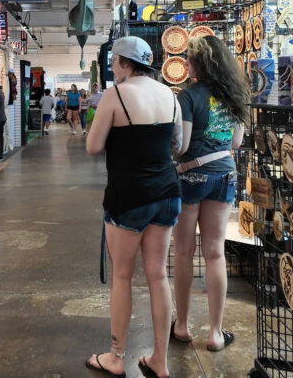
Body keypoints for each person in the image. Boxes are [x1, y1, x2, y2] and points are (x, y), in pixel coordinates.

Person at [85, 36, 182, 378]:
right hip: (167, 192)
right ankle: (160, 360)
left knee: (122, 276)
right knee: (158, 275)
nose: (112, 67)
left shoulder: (116, 95)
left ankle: (115, 356)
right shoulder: (170, 95)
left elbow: (93, 146)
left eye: (114, 61)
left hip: (128, 197)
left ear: (126, 63)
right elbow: (178, 144)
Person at [171, 35, 249, 353]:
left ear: (199, 63)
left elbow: (183, 145)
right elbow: (236, 143)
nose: (186, 63)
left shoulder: (188, 97)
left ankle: (182, 325)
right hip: (224, 175)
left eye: (189, 59)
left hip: (191, 177)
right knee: (215, 253)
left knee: (184, 253)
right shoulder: (233, 96)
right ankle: (216, 333)